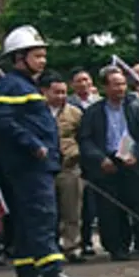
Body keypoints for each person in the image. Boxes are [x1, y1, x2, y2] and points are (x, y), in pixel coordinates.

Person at [0, 28, 84, 277]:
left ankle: (27, 271)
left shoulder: (24, 85)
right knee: (42, 216)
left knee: (28, 218)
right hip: (29, 164)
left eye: (43, 56)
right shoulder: (11, 85)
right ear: (19, 57)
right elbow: (3, 123)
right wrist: (34, 145)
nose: (43, 61)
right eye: (37, 56)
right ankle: (51, 272)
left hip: (37, 163)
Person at [79, 65, 139, 259]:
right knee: (111, 210)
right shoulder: (94, 112)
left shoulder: (134, 106)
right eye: (115, 85)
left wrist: (137, 155)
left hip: (131, 159)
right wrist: (100, 158)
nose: (120, 89)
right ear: (105, 88)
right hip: (107, 161)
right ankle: (117, 247)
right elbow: (85, 140)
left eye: (122, 84)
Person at [44, 75, 89, 260]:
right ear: (44, 92)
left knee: (72, 210)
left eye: (64, 92)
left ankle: (72, 247)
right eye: (57, 92)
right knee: (47, 211)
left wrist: (76, 153)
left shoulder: (75, 113)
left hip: (69, 167)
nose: (61, 96)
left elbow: (84, 138)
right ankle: (50, 248)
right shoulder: (37, 112)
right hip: (45, 168)